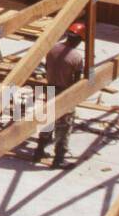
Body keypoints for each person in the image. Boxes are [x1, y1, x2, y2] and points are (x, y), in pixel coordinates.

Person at [33, 22, 87, 168]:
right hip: (64, 92)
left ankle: (38, 151)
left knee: (47, 121)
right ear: (78, 40)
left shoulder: (52, 49)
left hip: (50, 89)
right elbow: (76, 81)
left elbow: (47, 67)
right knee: (64, 127)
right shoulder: (76, 57)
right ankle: (59, 159)